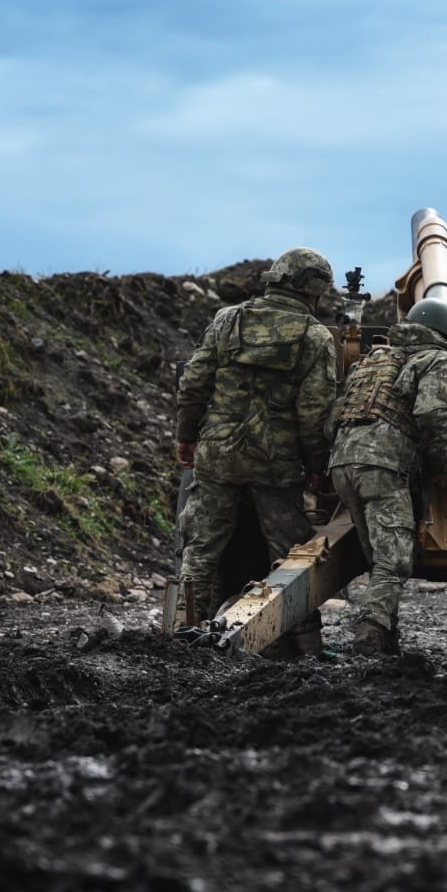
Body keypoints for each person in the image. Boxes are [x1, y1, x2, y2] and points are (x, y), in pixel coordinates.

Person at [174, 247, 339, 654]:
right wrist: (317, 465)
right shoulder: (315, 336)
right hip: (275, 462)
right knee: (291, 555)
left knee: (201, 546)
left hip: (217, 454)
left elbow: (194, 383)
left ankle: (180, 634)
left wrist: (186, 435)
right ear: (315, 291)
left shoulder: (228, 320)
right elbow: (314, 412)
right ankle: (308, 647)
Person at [328, 298, 447, 656]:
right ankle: (371, 631)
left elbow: (336, 412)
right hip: (382, 467)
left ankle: (388, 634)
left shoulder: (374, 359)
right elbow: (431, 414)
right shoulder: (436, 359)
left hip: (342, 463)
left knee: (378, 556)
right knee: (394, 559)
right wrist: (446, 464)